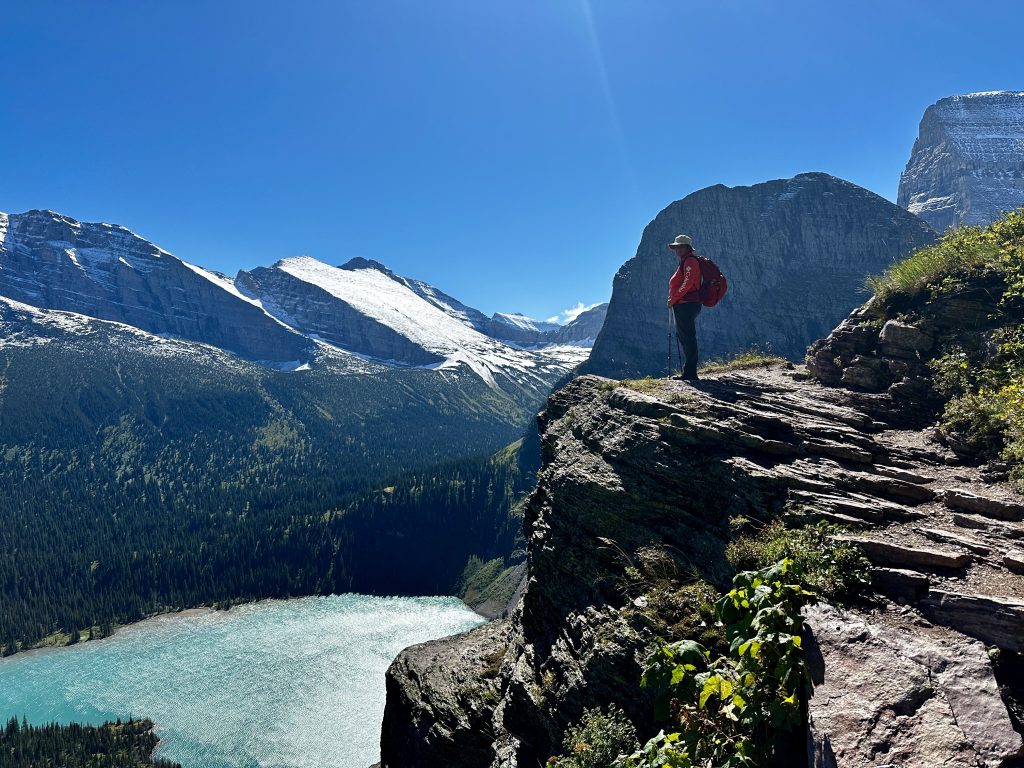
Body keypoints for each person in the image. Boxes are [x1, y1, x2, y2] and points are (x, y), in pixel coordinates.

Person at [667, 234, 702, 380]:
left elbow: (687, 284)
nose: (677, 249)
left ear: (687, 247)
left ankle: (690, 373)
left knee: (688, 337)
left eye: (680, 246)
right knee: (686, 337)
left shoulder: (690, 262)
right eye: (676, 247)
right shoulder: (685, 262)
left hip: (686, 304)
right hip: (684, 304)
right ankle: (689, 371)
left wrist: (673, 299)